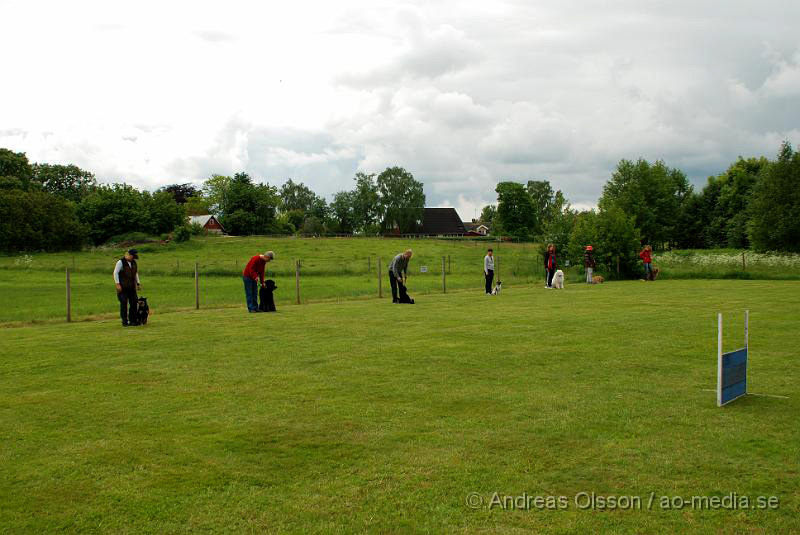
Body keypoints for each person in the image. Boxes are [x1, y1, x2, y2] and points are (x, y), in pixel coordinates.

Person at [113, 249, 141, 327]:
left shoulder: (134, 262)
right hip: (123, 287)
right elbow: (115, 273)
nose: (133, 258)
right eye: (133, 257)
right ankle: (125, 321)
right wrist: (117, 284)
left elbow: (136, 273)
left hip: (132, 287)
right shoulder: (120, 262)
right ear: (129, 255)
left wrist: (138, 283)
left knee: (134, 303)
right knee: (124, 303)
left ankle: (133, 320)